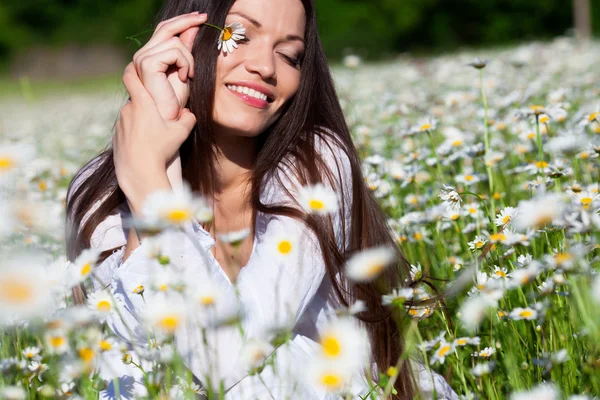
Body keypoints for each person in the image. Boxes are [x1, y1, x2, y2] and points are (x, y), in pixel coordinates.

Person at [65, 0, 458, 398]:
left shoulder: (315, 164)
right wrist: (159, 164)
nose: (266, 67)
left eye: (290, 55)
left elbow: (229, 357)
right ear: (179, 41)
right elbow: (135, 359)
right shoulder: (98, 197)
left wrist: (150, 185)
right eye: (240, 36)